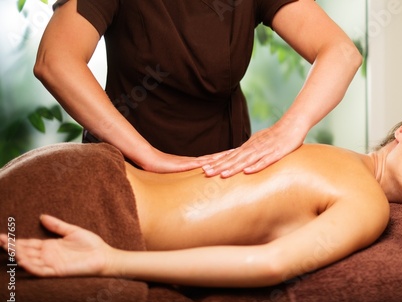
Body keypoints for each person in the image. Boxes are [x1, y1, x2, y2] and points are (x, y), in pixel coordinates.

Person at [0, 110, 402, 287]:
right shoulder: (333, 163)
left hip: (86, 198)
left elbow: (270, 263)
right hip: (93, 199)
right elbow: (270, 265)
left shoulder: (367, 201)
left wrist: (110, 260)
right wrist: (109, 262)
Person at [34, 0, 362, 176]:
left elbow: (341, 52)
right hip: (128, 170)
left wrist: (290, 128)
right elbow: (56, 60)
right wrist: (148, 156)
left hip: (222, 170)